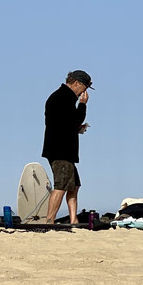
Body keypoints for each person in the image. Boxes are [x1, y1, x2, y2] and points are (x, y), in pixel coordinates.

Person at [42, 70, 93, 224]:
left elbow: (64, 125)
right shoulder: (63, 98)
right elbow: (74, 120)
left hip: (63, 150)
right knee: (61, 185)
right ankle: (50, 220)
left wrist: (77, 128)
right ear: (76, 83)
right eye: (83, 89)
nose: (83, 93)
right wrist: (82, 106)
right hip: (60, 151)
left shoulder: (61, 97)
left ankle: (73, 218)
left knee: (74, 185)